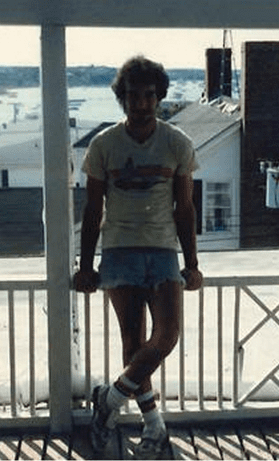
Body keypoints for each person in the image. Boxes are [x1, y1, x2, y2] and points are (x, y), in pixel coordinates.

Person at [74, 55, 203, 459]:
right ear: (122, 98)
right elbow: (93, 210)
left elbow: (185, 208)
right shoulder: (103, 145)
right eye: (133, 95)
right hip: (119, 252)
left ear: (160, 97)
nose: (142, 103)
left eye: (150, 95)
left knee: (166, 336)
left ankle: (109, 401)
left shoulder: (177, 143)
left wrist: (192, 262)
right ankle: (153, 425)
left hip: (164, 251)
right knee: (133, 343)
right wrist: (85, 265)